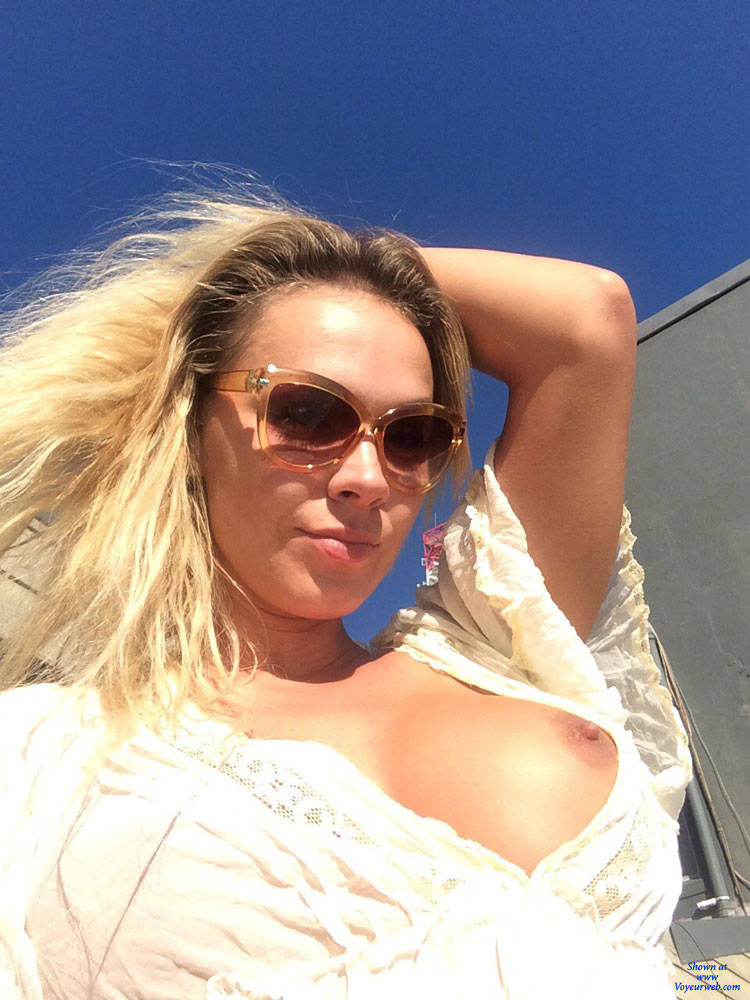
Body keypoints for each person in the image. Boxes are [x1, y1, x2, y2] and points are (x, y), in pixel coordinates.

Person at [0, 179, 691, 999]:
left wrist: (349, 268)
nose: (368, 476)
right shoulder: (47, 747)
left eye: (413, 435)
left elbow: (586, 322)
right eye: (306, 412)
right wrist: (235, 296)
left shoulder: (495, 649)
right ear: (186, 426)